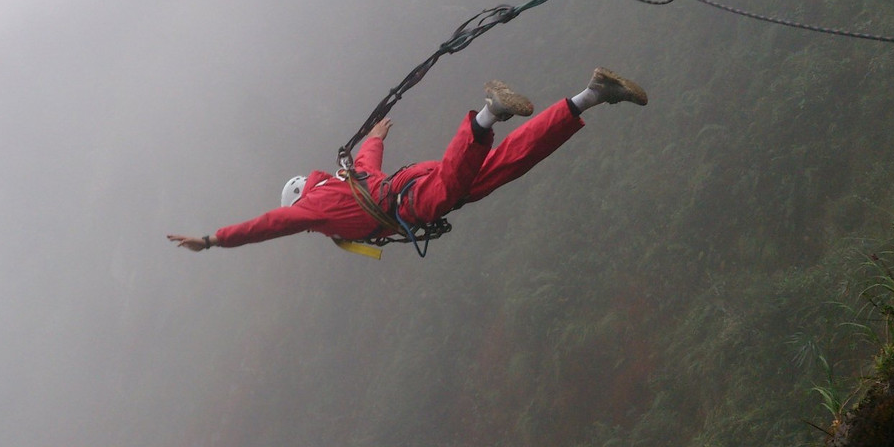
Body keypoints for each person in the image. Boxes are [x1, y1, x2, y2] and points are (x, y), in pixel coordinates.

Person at [167, 68, 647, 253]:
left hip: (413, 199)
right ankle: (592, 94)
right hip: (405, 185)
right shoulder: (345, 181)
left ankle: (488, 113)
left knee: (455, 184)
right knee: (509, 163)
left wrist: (212, 239)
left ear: (298, 200)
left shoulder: (311, 210)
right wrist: (374, 137)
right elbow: (367, 162)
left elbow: (266, 225)